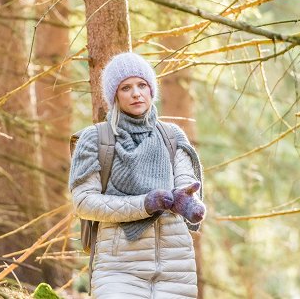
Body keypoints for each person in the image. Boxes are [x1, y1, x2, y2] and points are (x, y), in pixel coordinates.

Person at [69, 52, 206, 299]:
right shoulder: (94, 139)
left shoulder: (172, 136)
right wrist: (144, 204)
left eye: (142, 85)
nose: (136, 93)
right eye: (126, 87)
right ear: (114, 95)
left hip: (175, 267)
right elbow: (83, 202)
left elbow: (185, 181)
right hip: (118, 268)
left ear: (151, 90)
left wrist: (187, 202)